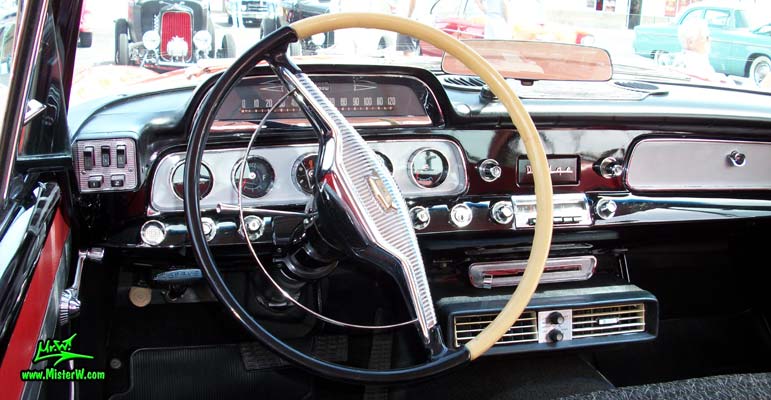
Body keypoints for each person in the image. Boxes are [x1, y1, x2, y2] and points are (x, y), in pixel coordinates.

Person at [671, 18, 730, 84]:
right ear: (691, 42)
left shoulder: (680, 59)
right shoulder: (697, 64)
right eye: (706, 37)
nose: (710, 40)